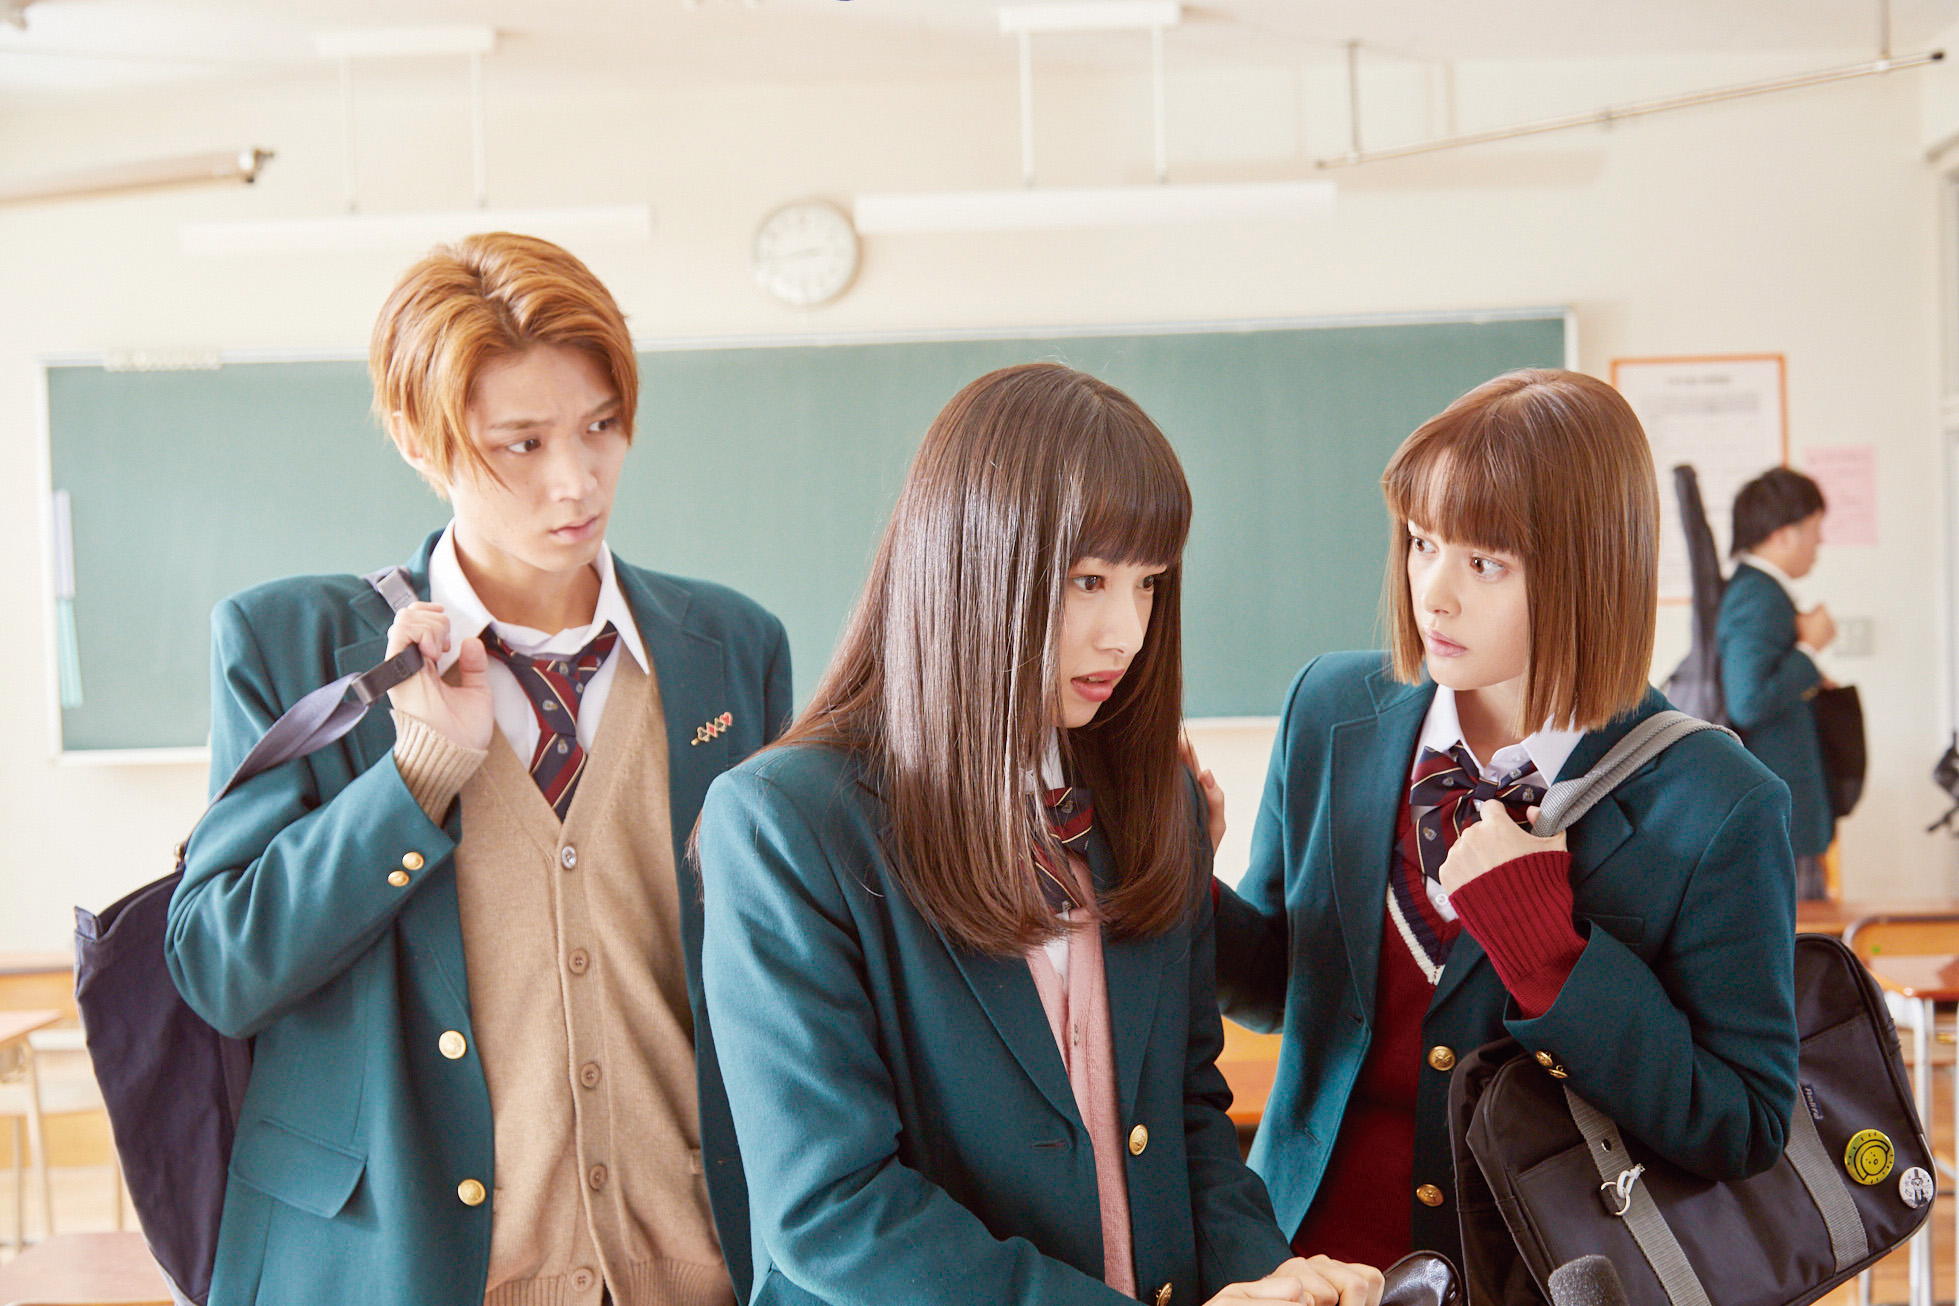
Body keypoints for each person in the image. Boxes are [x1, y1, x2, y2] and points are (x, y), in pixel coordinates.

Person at [166, 232, 792, 1306]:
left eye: (601, 426)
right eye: (522, 443)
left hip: (699, 1268)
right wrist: (414, 776)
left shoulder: (730, 649)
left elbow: (782, 965)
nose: (575, 479)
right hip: (402, 1270)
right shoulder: (293, 648)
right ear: (422, 441)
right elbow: (222, 969)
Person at [695, 363, 1383, 1306]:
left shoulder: (1153, 799)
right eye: (1087, 580)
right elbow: (832, 1210)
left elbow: (1189, 1120)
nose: (1124, 633)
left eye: (1148, 584)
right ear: (971, 569)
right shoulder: (784, 820)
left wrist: (1271, 1284)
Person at [1212, 369, 1800, 1272]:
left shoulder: (1720, 800)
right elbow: (1272, 993)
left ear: (1587, 574)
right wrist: (1176, 875)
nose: (1432, 594)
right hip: (1301, 1262)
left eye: (1483, 563)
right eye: (1421, 543)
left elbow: (1741, 1126)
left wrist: (1552, 958)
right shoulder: (1330, 708)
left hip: (1538, 1274)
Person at [1720, 466, 1835, 899]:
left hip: (1778, 814)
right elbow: (1748, 700)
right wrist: (1809, 651)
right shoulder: (1758, 594)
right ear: (1784, 534)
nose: (1820, 542)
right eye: (1815, 529)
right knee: (1802, 935)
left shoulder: (1757, 589)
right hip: (1780, 817)